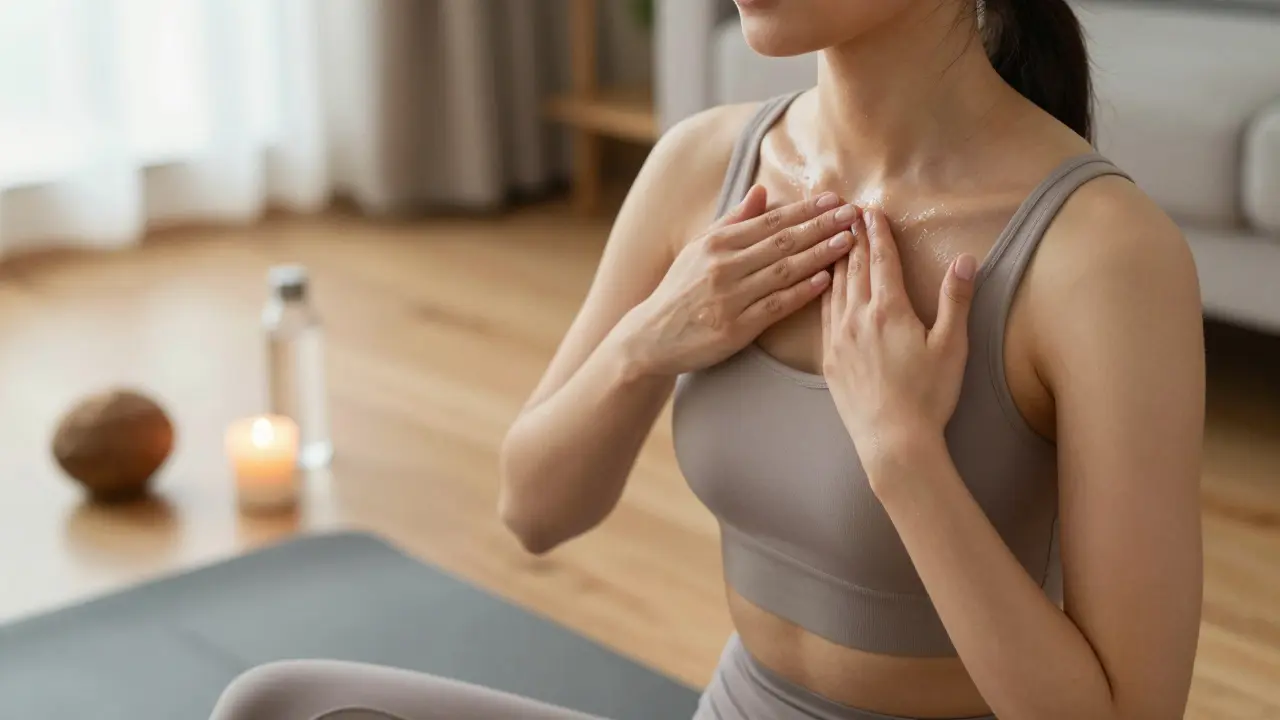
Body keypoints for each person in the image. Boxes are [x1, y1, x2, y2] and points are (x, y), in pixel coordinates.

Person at [209, 0, 1206, 718]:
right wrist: (648, 342)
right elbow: (534, 508)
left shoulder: (1099, 255)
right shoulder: (703, 167)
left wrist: (903, 457)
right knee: (281, 705)